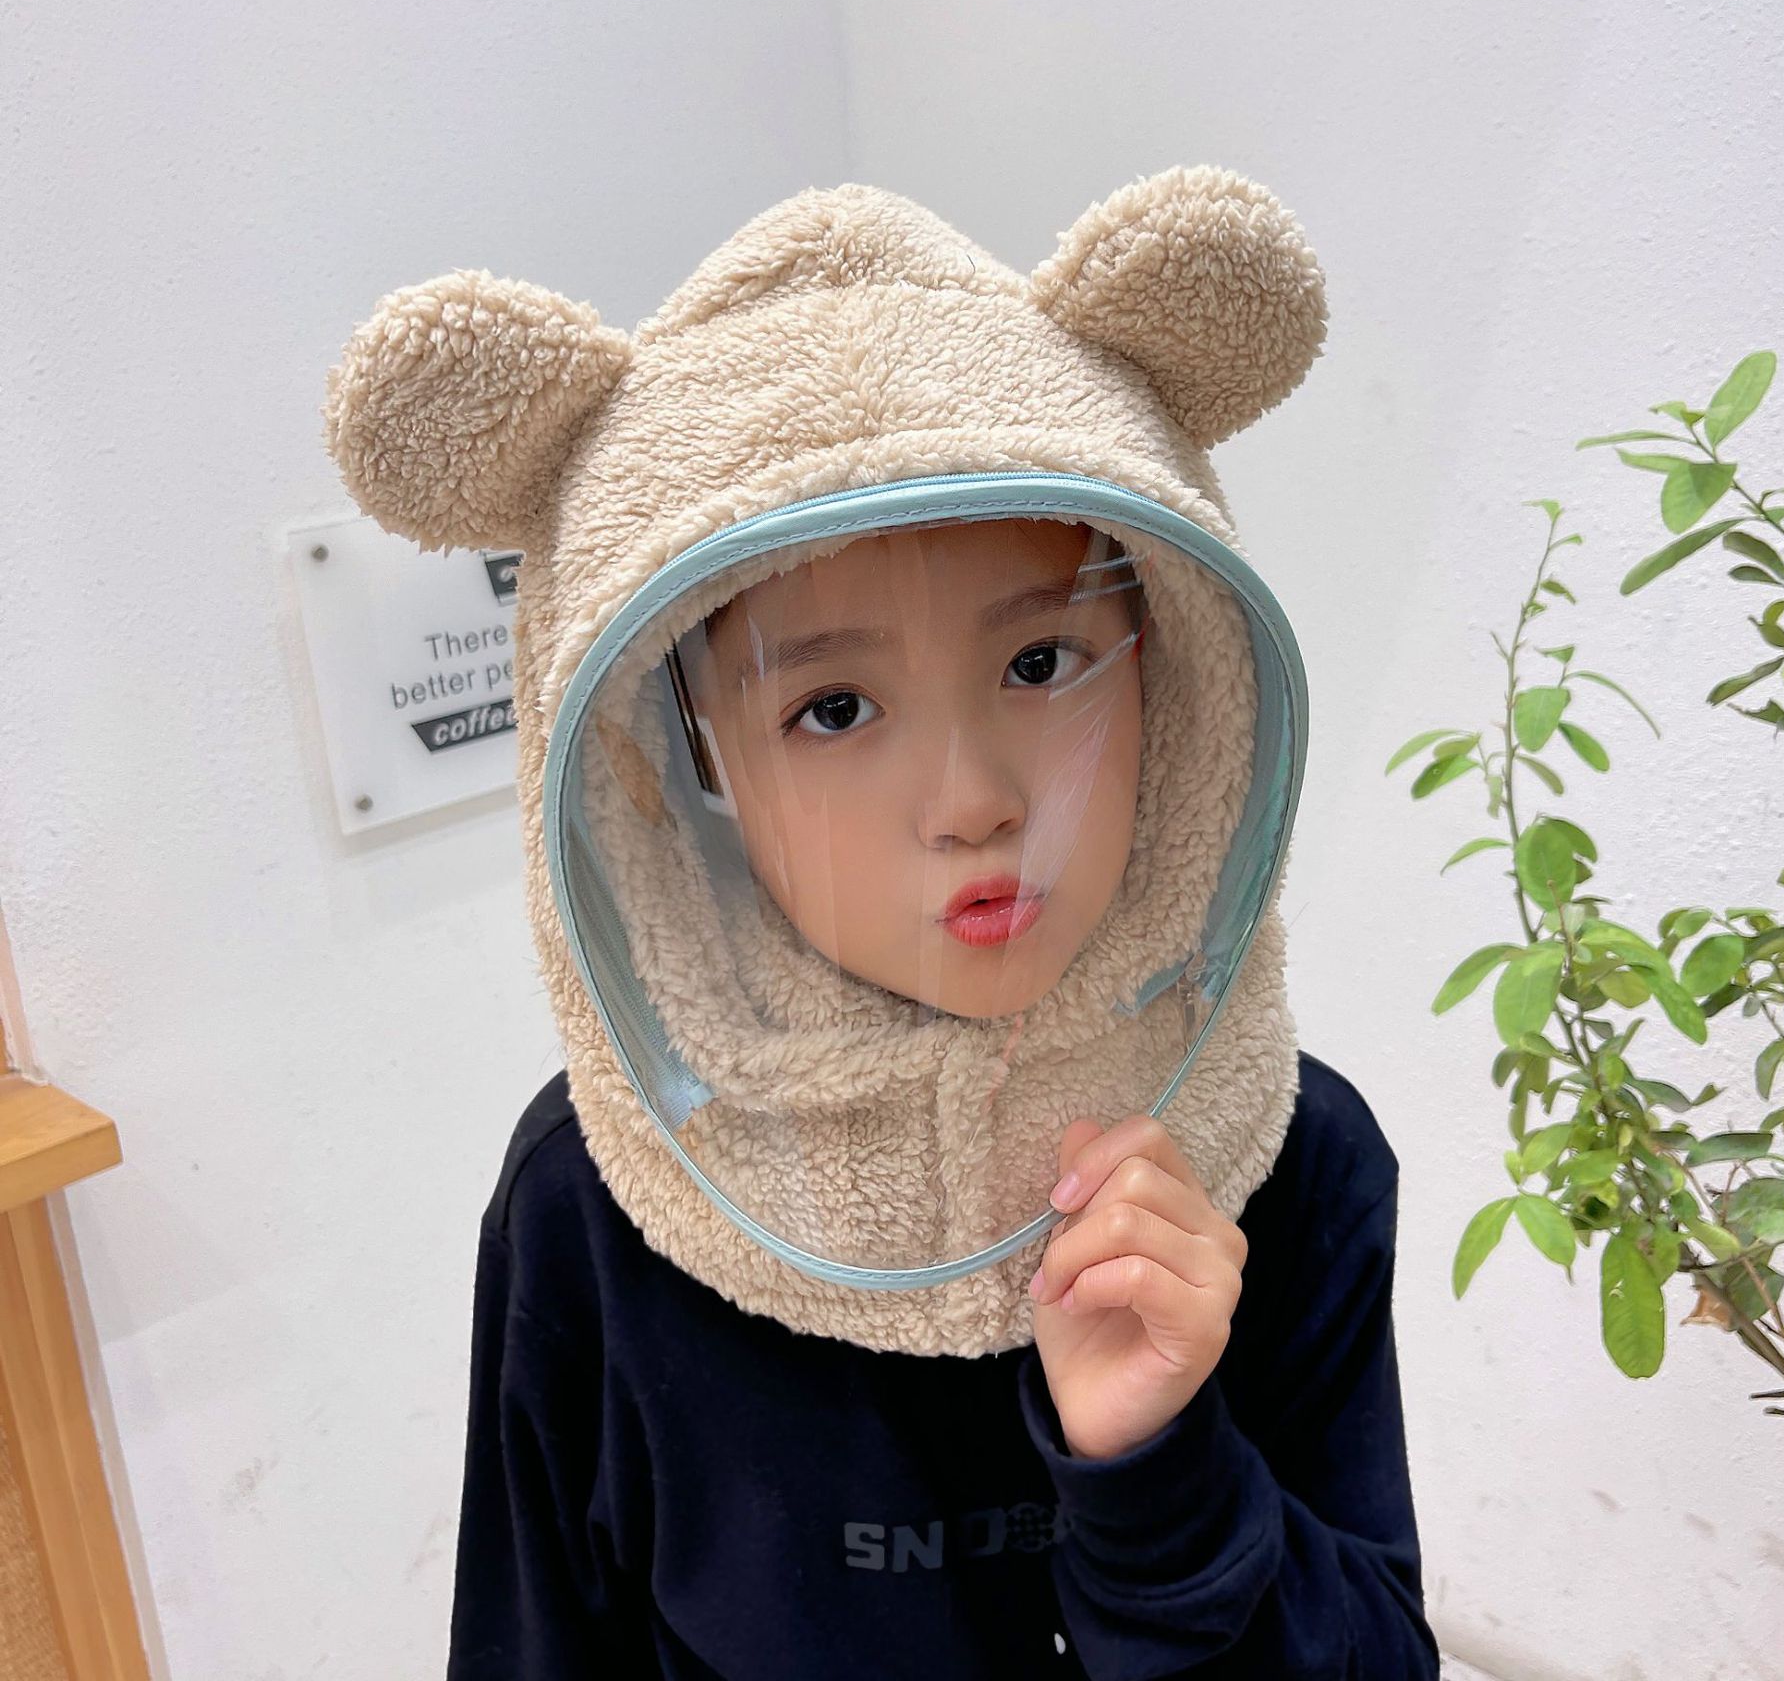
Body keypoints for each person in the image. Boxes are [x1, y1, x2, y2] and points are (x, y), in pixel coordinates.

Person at [324, 165, 1442, 1676]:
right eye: (835, 708)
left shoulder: (1284, 1158)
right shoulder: (602, 1202)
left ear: (1175, 671)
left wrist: (1165, 1481)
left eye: (1042, 665)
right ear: (687, 766)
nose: (972, 801)